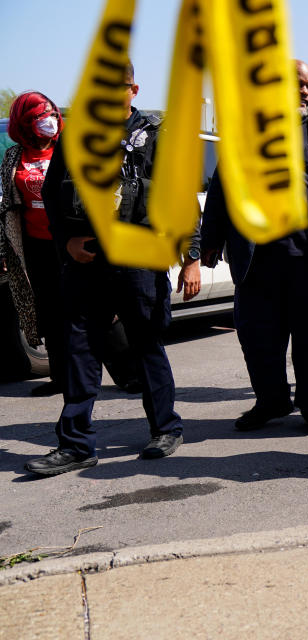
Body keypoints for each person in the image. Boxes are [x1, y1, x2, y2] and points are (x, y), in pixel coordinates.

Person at [25, 63, 201, 476]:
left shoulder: (156, 136)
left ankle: (165, 428)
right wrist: (65, 241)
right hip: (86, 261)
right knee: (78, 351)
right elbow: (53, 196)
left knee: (146, 345)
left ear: (133, 89)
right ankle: (76, 445)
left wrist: (190, 257)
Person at [201, 60, 308, 435]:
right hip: (259, 260)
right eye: (298, 85)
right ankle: (271, 401)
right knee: (258, 339)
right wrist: (209, 241)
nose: (306, 92)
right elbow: (221, 189)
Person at [0, 92, 66, 397]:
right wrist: (9, 249)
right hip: (37, 248)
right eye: (41, 115)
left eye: (52, 113)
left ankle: (128, 374)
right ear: (26, 122)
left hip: (71, 243)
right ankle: (62, 378)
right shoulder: (13, 156)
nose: (49, 120)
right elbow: (9, 206)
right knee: (52, 315)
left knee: (95, 312)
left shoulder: (67, 150)